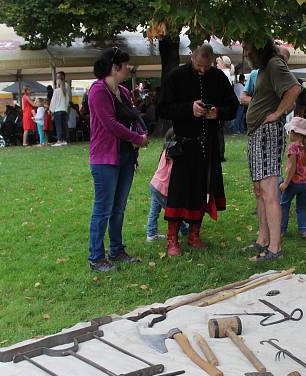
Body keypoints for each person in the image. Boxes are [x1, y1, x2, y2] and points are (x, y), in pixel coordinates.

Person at [158, 43, 238, 257]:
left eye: (207, 66)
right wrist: (188, 109)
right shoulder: (176, 76)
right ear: (192, 57)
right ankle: (172, 239)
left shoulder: (219, 78)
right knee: (178, 192)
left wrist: (218, 113)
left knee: (204, 189)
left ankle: (194, 235)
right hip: (184, 145)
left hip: (208, 144)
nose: (203, 70)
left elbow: (233, 106)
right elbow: (163, 108)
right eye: (200, 65)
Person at [87, 47, 150, 272]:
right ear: (115, 67)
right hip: (105, 159)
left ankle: (116, 250)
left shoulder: (122, 91)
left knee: (119, 208)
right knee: (103, 209)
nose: (128, 69)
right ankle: (96, 258)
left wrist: (143, 133)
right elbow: (110, 124)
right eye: (125, 66)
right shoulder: (97, 91)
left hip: (125, 157)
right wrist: (137, 138)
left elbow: (134, 114)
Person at [244, 39, 301, 261]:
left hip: (267, 133)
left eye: (248, 48)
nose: (246, 52)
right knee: (259, 189)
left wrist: (277, 114)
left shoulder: (275, 64)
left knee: (269, 190)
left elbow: (295, 88)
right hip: (257, 134)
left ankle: (275, 248)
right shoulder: (264, 68)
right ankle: (263, 239)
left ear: (259, 48)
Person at [146, 129, 191, 241]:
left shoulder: (165, 151)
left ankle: (151, 234)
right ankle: (184, 229)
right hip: (162, 188)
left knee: (154, 210)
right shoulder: (173, 154)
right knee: (174, 211)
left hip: (155, 185)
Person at [50, 71, 70, 146]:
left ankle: (59, 140)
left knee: (59, 126)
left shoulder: (56, 90)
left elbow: (53, 102)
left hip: (57, 110)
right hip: (64, 109)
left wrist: (51, 110)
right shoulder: (66, 87)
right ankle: (64, 140)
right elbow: (68, 100)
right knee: (64, 125)